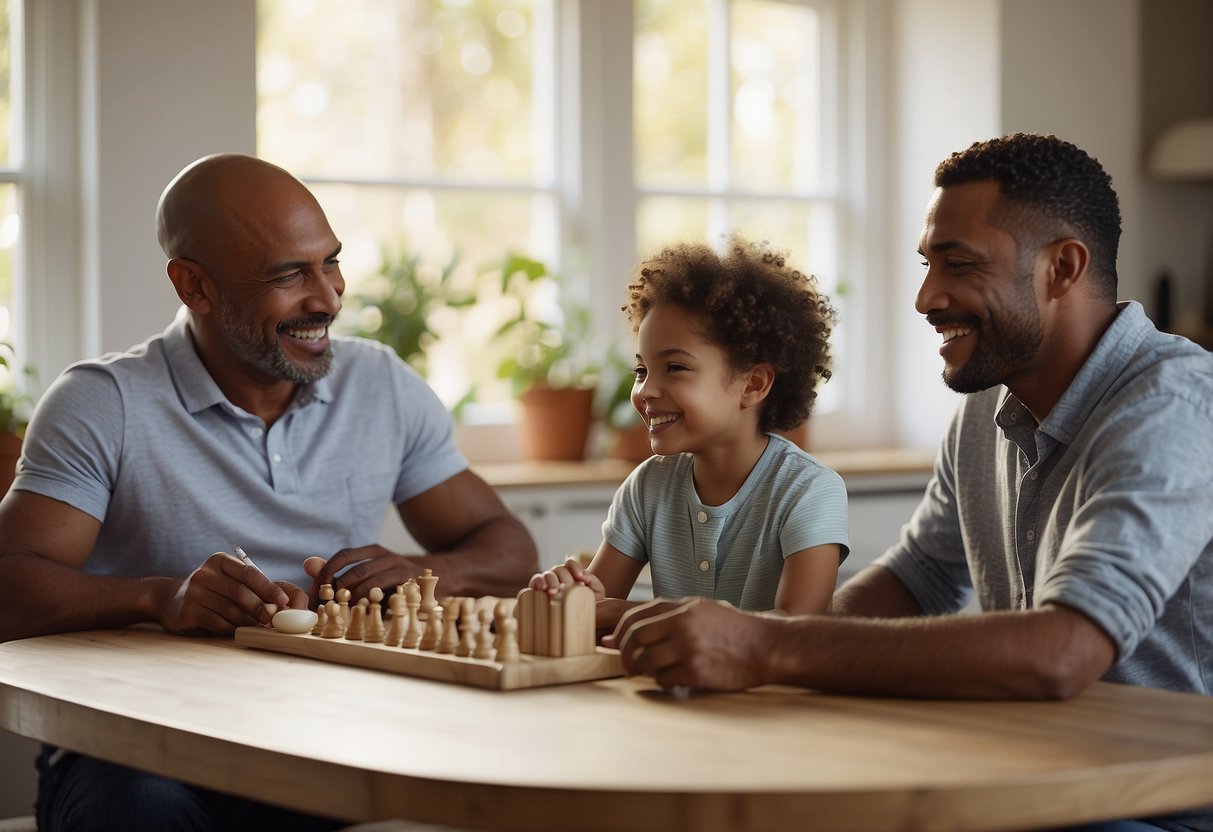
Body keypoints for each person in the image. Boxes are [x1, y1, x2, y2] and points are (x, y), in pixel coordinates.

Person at [605, 134, 1213, 831]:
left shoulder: (1171, 407)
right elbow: (918, 576)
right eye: (926, 265)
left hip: (1156, 814)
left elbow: (1062, 652)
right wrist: (758, 638)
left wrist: (764, 646)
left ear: (1061, 267)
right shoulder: (985, 408)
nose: (926, 297)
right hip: (1025, 785)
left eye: (957, 264)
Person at [0, 152, 538, 831]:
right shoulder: (103, 403)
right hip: (138, 748)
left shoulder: (381, 387)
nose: (328, 298)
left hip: (326, 735)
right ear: (195, 287)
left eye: (331, 263)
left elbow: (509, 548)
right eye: (289, 275)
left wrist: (425, 572)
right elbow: (8, 585)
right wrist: (159, 596)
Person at [531, 239, 849, 631]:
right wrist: (572, 596)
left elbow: (794, 633)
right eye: (641, 370)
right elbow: (596, 611)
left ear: (753, 384)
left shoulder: (809, 491)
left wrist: (621, 613)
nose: (646, 390)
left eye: (675, 367)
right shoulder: (647, 487)